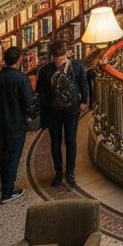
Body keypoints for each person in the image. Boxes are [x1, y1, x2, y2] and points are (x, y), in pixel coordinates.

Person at [0, 46, 33, 204]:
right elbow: (28, 102)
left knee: (3, 154)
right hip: (15, 125)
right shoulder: (21, 78)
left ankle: (5, 184)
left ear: (4, 60)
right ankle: (7, 192)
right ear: (18, 61)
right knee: (12, 157)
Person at [35, 39, 89, 187]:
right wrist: (44, 115)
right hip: (53, 112)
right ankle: (58, 172)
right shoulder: (45, 71)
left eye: (62, 58)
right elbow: (41, 92)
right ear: (52, 57)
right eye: (56, 59)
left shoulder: (76, 66)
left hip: (72, 111)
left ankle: (70, 172)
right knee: (55, 143)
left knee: (71, 141)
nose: (59, 61)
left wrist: (84, 101)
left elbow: (83, 83)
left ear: (67, 54)